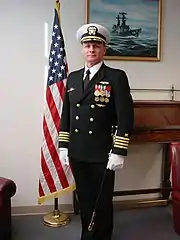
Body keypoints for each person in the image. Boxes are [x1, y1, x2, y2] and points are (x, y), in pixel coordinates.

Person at [58, 23, 134, 240]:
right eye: (88, 45)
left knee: (102, 199)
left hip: (103, 152)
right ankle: (87, 233)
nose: (91, 49)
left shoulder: (116, 77)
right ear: (82, 49)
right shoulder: (72, 78)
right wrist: (64, 145)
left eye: (96, 46)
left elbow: (125, 117)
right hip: (78, 150)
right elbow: (67, 115)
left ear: (104, 49)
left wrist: (119, 150)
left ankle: (103, 235)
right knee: (84, 197)